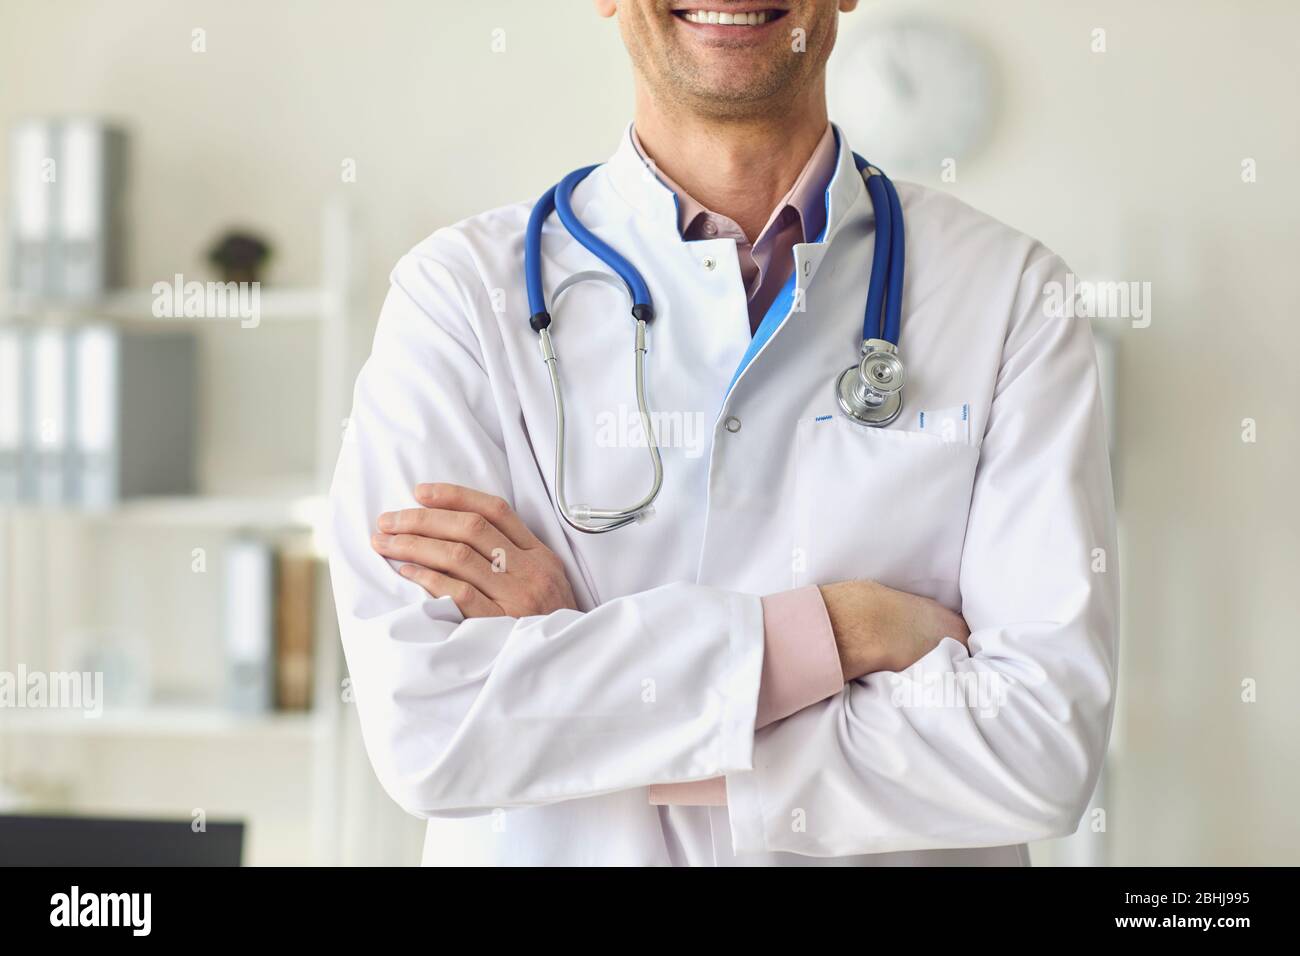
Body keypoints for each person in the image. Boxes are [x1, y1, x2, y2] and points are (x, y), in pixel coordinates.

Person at [327, 0, 1118, 866]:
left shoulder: (1011, 297)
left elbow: (1040, 748)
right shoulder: (456, 299)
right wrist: (843, 630)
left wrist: (589, 683)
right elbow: (432, 732)